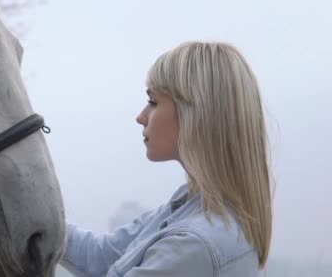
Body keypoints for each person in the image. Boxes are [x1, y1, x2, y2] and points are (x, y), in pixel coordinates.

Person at [61, 41, 273, 277]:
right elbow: (100, 257)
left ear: (194, 114)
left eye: (153, 102)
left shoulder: (194, 245)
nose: (141, 117)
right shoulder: (189, 205)